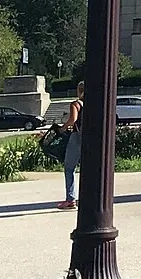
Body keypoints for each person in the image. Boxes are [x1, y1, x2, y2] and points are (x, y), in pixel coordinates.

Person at [57, 82, 83, 210]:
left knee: (69, 168)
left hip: (77, 136)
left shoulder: (76, 104)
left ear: (79, 90)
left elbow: (73, 119)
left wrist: (63, 128)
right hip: (91, 138)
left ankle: (70, 199)